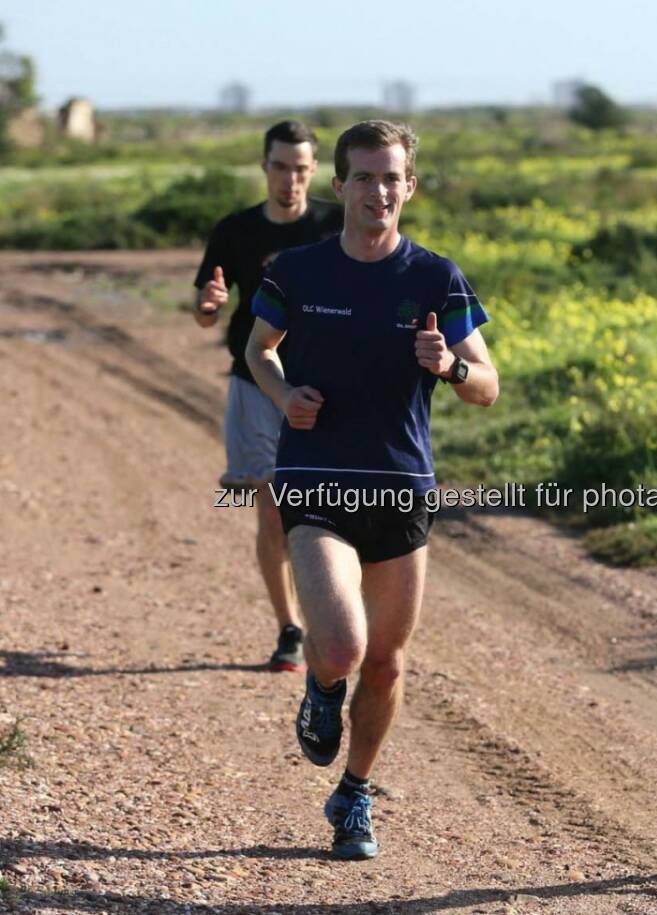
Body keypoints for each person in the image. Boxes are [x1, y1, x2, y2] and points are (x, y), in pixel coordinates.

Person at [245, 120, 499, 861]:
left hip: (401, 487)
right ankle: (323, 686)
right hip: (317, 481)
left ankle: (354, 792)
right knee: (345, 644)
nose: (378, 191)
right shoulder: (298, 271)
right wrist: (284, 393)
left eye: (391, 178)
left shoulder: (436, 277)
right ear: (340, 186)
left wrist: (449, 365)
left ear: (409, 187)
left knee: (387, 663)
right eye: (364, 177)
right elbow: (258, 347)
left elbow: (487, 385)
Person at [193, 120, 343, 673]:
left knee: (327, 512)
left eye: (302, 169)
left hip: (325, 388)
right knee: (274, 511)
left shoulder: (334, 225)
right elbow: (206, 313)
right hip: (255, 383)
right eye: (281, 167)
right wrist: (209, 305)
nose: (291, 180)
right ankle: (290, 628)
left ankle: (334, 617)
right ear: (264, 167)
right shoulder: (234, 231)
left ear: (314, 171)